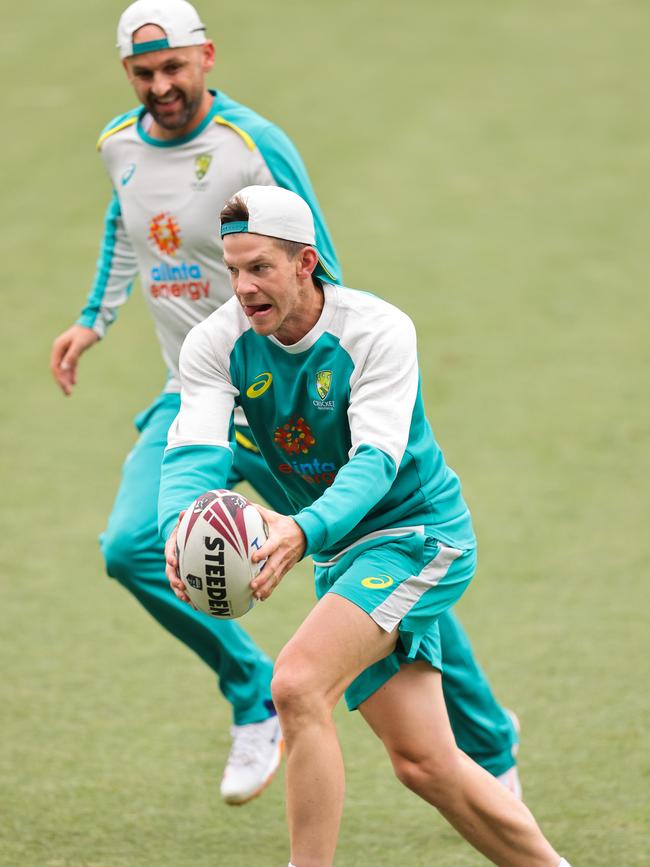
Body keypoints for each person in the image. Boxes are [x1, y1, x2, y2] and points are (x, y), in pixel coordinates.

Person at [51, 0, 520, 806]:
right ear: (127, 74)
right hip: (197, 391)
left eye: (174, 67)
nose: (161, 85)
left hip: (286, 400)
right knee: (135, 544)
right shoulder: (117, 145)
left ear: (207, 57)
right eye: (144, 72)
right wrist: (95, 316)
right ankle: (253, 693)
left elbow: (318, 265)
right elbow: (127, 219)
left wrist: (320, 383)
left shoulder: (252, 144)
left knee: (388, 561)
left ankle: (490, 746)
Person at [159, 185, 573, 867]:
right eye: (232, 269)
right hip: (346, 555)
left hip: (418, 536)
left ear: (305, 263)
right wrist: (181, 527)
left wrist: (301, 529)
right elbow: (194, 453)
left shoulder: (377, 330)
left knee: (294, 684)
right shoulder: (216, 342)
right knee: (426, 763)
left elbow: (374, 464)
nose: (243, 287)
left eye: (260, 267)